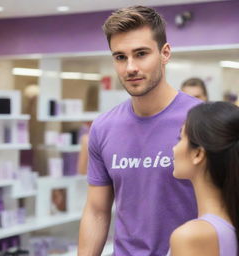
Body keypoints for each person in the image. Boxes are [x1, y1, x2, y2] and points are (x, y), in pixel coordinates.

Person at [78, 6, 200, 255]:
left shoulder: (201, 121)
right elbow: (97, 211)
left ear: (165, 53)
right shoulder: (103, 128)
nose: (130, 67)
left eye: (141, 54)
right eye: (120, 57)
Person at [168, 101, 239, 255]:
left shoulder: (191, 236)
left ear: (198, 154)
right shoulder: (228, 226)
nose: (174, 148)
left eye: (180, 138)